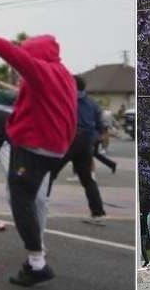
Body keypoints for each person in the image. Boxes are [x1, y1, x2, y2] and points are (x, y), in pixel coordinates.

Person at [0, 26, 77, 286]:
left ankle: (37, 263)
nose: (18, 74)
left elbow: (14, 56)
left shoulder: (41, 72)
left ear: (35, 56)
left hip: (34, 148)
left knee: (21, 200)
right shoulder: (65, 75)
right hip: (54, 146)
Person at [51, 76, 107, 225]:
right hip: (86, 142)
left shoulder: (66, 100)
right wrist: (93, 139)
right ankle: (98, 213)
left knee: (50, 173)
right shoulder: (92, 104)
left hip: (70, 139)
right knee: (87, 178)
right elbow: (101, 128)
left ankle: (37, 206)